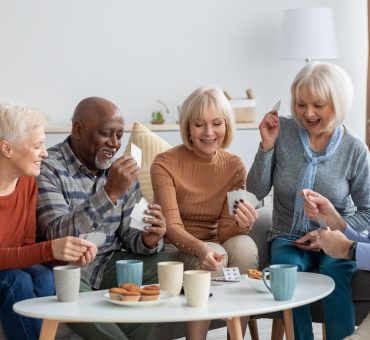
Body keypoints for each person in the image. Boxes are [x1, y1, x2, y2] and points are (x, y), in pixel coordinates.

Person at [246, 62, 370, 340]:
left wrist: (329, 232)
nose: (308, 113)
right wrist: (266, 146)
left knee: (335, 279)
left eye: (318, 105)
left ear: (337, 104)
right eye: (301, 105)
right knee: (286, 279)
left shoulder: (355, 149)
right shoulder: (283, 131)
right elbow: (255, 191)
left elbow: (368, 212)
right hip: (288, 236)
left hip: (335, 238)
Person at [36, 97, 174, 340]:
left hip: (110, 263)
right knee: (65, 283)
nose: (115, 144)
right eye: (106, 134)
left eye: (120, 135)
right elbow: (57, 235)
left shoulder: (119, 169)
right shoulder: (48, 167)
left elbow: (130, 235)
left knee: (168, 266)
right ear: (78, 130)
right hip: (70, 268)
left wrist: (149, 238)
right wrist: (109, 193)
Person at [150, 85, 259, 340]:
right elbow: (171, 226)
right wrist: (201, 248)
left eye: (216, 123)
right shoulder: (164, 164)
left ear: (226, 125)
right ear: (188, 127)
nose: (209, 133)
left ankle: (236, 337)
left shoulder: (234, 166)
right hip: (177, 248)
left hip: (215, 244)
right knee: (217, 254)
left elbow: (226, 230)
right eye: (199, 124)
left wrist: (243, 224)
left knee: (245, 245)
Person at [0, 103, 97, 340]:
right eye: (37, 146)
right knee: (17, 280)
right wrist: (48, 248)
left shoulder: (27, 183)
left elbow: (24, 247)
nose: (45, 152)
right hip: (8, 274)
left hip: (9, 268)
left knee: (45, 275)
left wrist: (67, 253)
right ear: (6, 148)